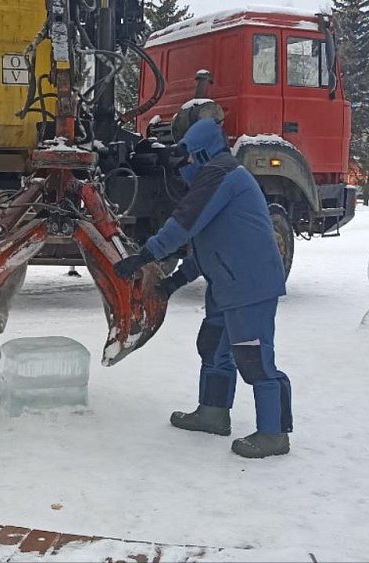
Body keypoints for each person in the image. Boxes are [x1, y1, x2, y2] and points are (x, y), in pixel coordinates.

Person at [113, 118, 292, 459]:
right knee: (213, 347)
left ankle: (274, 432)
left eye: (189, 159)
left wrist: (144, 256)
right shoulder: (217, 179)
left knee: (253, 357)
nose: (186, 168)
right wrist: (175, 282)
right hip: (226, 283)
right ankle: (213, 412)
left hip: (249, 285)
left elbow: (183, 225)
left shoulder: (222, 174)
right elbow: (207, 245)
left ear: (202, 152)